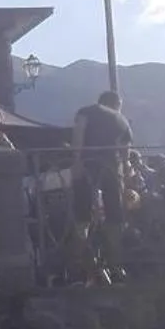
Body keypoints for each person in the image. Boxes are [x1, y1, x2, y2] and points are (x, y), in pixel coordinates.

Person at [71, 88, 133, 267]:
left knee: (82, 213)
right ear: (117, 104)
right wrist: (125, 173)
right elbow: (125, 151)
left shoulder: (86, 112)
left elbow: (78, 135)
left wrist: (77, 160)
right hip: (112, 169)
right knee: (114, 214)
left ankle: (81, 258)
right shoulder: (122, 120)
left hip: (88, 165)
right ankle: (115, 261)